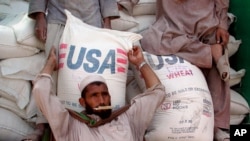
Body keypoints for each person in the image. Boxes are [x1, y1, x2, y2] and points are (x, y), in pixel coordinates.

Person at [118, 0, 230, 141]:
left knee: (217, 68)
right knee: (150, 42)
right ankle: (209, 53)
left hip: (205, 25)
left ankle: (219, 125)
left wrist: (222, 25)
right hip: (171, 26)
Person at [25, 0, 120, 140]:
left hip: (91, 21)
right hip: (59, 18)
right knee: (52, 69)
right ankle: (42, 124)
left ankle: (88, 121)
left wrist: (107, 23)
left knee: (89, 77)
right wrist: (40, 16)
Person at [30, 46, 165, 141]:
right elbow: (40, 90)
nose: (101, 100)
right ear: (82, 102)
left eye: (104, 94)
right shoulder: (70, 125)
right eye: (94, 96)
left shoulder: (128, 118)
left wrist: (140, 62)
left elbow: (157, 92)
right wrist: (51, 63)